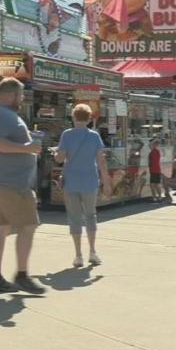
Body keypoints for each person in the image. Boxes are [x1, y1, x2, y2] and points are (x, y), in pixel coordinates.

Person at [0, 77, 46, 294]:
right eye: (20, 95)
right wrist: (28, 148)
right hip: (12, 183)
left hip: (4, 180)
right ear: (10, 95)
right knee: (28, 225)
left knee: (2, 227)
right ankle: (22, 275)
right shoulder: (0, 114)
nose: (21, 99)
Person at [56, 104, 111, 268]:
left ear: (73, 117)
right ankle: (93, 252)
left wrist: (56, 153)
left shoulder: (66, 135)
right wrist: (106, 182)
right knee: (90, 215)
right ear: (89, 119)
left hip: (71, 181)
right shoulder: (94, 136)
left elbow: (60, 159)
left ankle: (78, 255)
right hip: (90, 181)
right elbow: (101, 161)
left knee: (74, 217)